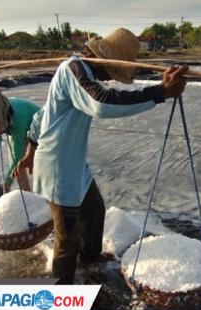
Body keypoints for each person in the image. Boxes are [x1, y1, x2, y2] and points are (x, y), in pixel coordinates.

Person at [14, 28, 189, 284]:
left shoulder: (81, 72)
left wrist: (29, 151)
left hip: (74, 163)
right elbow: (101, 103)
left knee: (94, 211)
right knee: (67, 238)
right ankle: (61, 297)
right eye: (115, 72)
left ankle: (90, 259)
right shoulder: (73, 69)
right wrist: (160, 92)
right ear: (105, 61)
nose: (113, 79)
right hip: (58, 167)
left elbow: (42, 116)